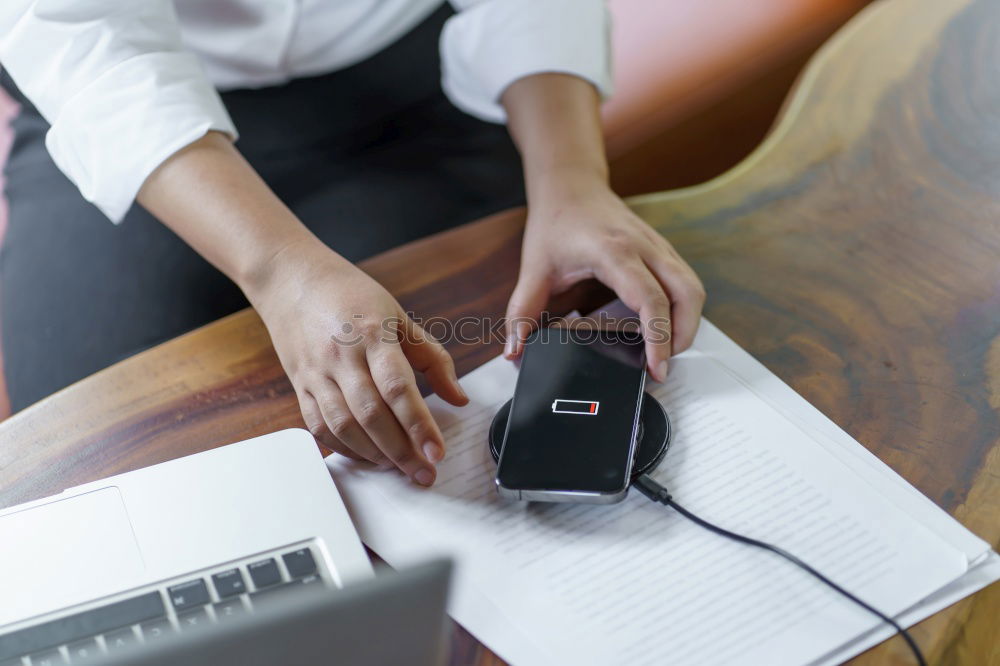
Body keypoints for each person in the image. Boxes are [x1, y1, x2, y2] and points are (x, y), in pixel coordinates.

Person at [0, 0, 704, 486]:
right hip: (129, 103)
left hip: (409, 89)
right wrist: (282, 272)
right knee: (87, 462)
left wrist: (574, 182)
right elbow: (80, 38)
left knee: (455, 405)